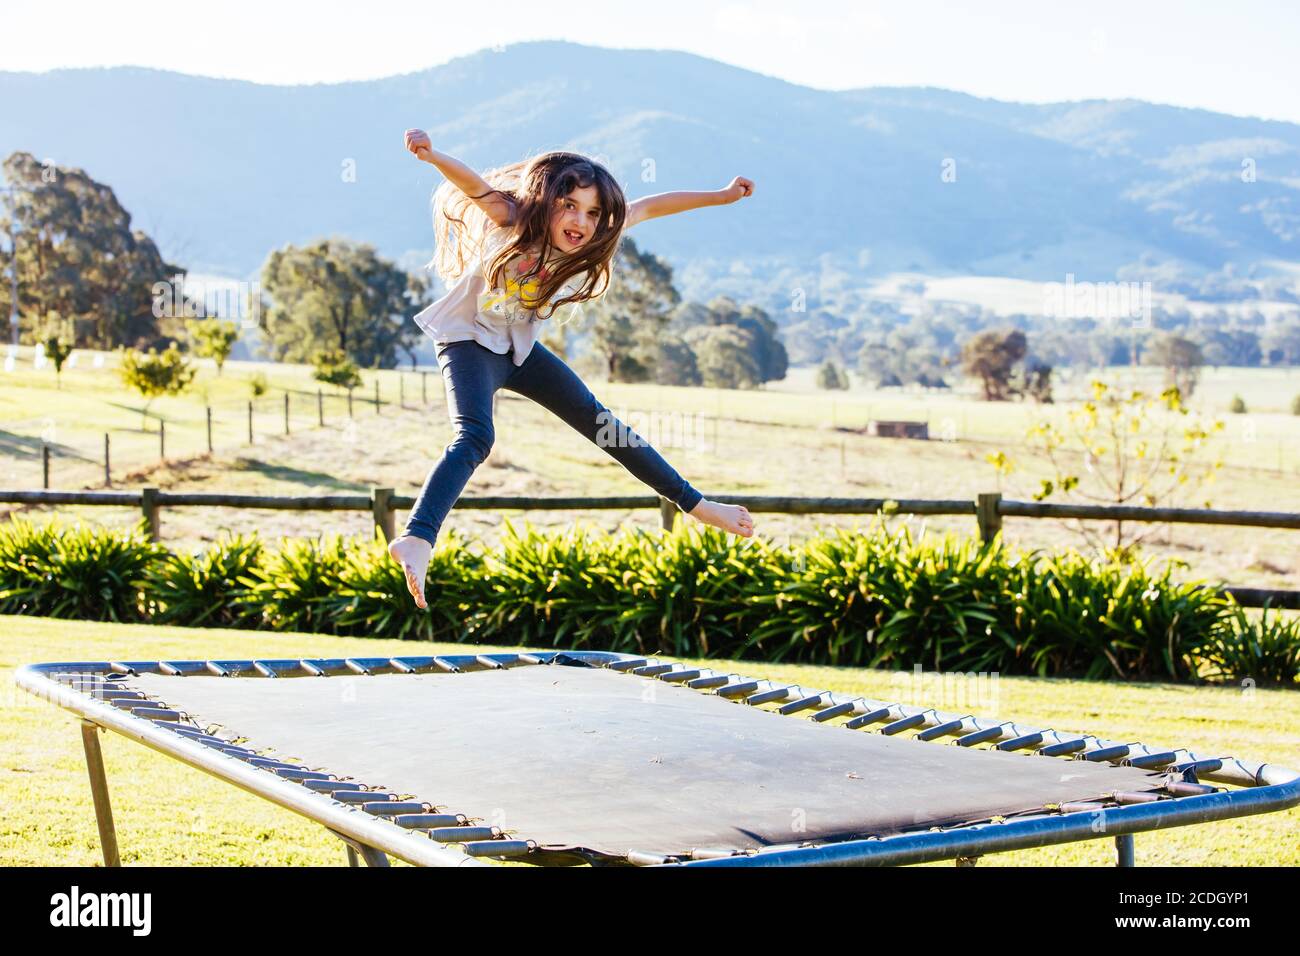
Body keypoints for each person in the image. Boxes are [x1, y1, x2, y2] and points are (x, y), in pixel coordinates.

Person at [389, 133, 756, 609]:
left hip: (518, 348)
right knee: (475, 437)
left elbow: (652, 205)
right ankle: (418, 537)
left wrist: (722, 196)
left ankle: (699, 506)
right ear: (545, 201)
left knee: (604, 425)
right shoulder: (513, 218)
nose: (581, 221)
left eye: (592, 212)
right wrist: (433, 156)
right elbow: (472, 184)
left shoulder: (597, 235)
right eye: (569, 205)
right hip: (467, 342)